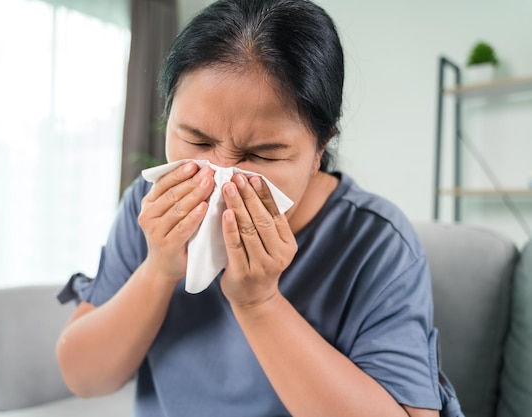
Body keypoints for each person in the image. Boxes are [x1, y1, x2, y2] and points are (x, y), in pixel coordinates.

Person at [56, 1, 463, 416]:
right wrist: (158, 270)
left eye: (262, 155)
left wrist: (259, 302)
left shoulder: (377, 243)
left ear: (320, 147)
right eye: (196, 140)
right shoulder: (148, 209)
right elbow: (83, 377)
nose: (220, 174)